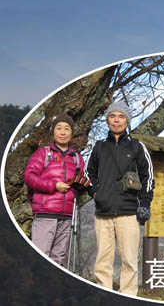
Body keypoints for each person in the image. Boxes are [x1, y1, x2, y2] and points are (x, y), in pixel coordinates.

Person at [87, 100, 154, 296]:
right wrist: (96, 193)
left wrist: (145, 203)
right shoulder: (98, 147)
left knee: (129, 261)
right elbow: (87, 173)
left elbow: (148, 176)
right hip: (103, 212)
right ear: (107, 120)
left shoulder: (137, 146)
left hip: (129, 212)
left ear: (127, 120)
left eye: (121, 116)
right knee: (103, 261)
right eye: (112, 116)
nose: (116, 120)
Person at [24, 112, 89, 266]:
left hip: (67, 216)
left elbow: (80, 179)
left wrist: (82, 184)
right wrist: (54, 186)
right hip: (45, 214)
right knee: (40, 257)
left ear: (71, 133)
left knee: (59, 260)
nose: (62, 132)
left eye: (67, 128)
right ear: (53, 131)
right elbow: (29, 177)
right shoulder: (43, 153)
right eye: (59, 128)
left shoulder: (76, 158)